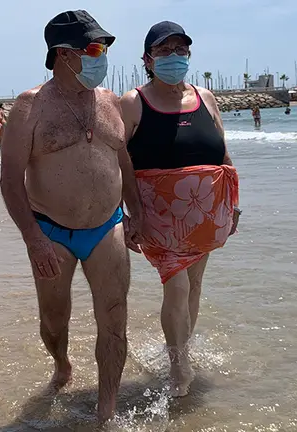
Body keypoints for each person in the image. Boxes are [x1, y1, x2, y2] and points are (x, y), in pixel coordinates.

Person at [0, 10, 141, 423]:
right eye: (95, 48)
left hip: (108, 227)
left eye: (106, 48)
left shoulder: (110, 102)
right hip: (51, 232)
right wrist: (33, 238)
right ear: (64, 54)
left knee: (114, 317)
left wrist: (137, 214)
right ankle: (61, 363)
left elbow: (125, 164)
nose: (103, 56)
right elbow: (10, 180)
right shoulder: (30, 107)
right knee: (54, 319)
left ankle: (106, 409)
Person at [121, 21, 240, 398]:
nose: (174, 57)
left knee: (195, 284)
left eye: (181, 50)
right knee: (177, 283)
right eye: (164, 50)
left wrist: (233, 204)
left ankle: (178, 348)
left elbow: (222, 152)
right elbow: (119, 159)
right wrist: (129, 212)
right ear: (148, 59)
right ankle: (179, 367)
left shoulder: (205, 97)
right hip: (158, 217)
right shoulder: (133, 102)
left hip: (205, 216)